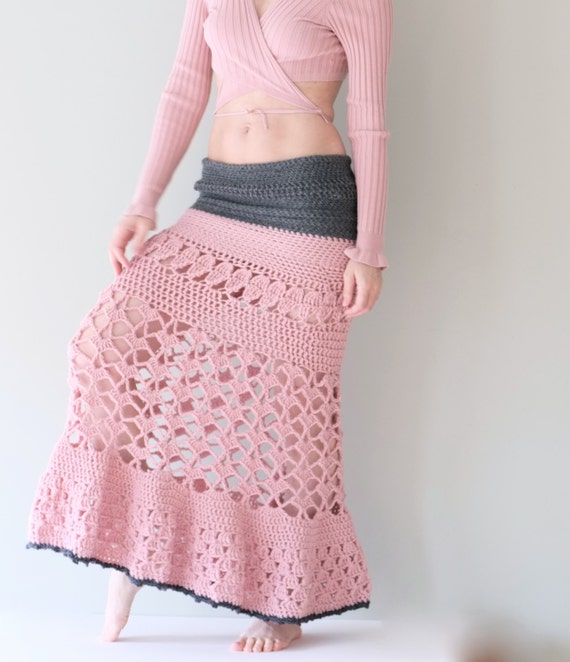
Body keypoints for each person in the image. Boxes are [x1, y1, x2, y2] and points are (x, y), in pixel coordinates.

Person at [26, 0, 393, 654]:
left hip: (308, 207)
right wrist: (143, 202)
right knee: (107, 348)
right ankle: (130, 551)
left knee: (280, 412)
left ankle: (282, 603)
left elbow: (369, 118)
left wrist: (369, 249)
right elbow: (184, 86)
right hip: (220, 195)